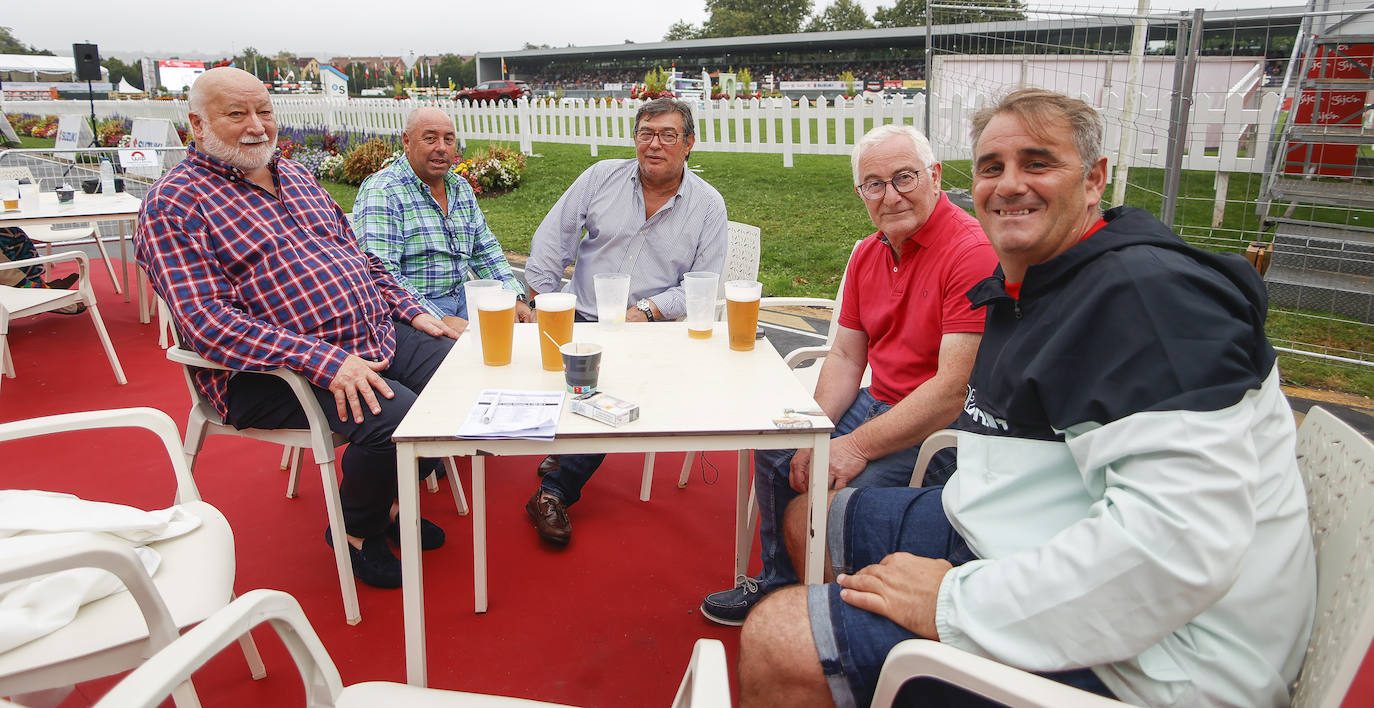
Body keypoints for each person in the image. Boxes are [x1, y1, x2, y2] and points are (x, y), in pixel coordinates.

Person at [738, 88, 1317, 708]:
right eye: (992, 167)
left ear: (1094, 180)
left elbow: (1172, 547)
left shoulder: (1149, 303)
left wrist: (952, 602)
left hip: (1160, 659)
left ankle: (834, 665)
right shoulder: (1046, 278)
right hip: (1016, 528)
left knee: (777, 638)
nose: (1009, 185)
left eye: (1038, 163)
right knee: (810, 517)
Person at [135, 67, 463, 591]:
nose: (256, 126)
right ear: (197, 124)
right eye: (236, 113)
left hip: (368, 331)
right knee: (395, 416)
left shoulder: (297, 177)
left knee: (458, 375)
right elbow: (206, 323)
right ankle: (357, 532)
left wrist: (411, 307)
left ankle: (389, 499)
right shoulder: (175, 203)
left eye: (264, 110)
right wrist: (326, 362)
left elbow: (363, 260)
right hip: (269, 371)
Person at [700, 124, 997, 626]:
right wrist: (813, 430)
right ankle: (780, 582)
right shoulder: (868, 252)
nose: (891, 195)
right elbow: (844, 358)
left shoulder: (971, 253)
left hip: (935, 429)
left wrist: (852, 447)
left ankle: (832, 611)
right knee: (779, 447)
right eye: (874, 184)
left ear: (936, 176)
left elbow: (950, 392)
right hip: (878, 399)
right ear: (861, 192)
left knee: (833, 496)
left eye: (904, 177)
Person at [522, 96, 728, 544]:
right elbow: (552, 239)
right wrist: (538, 300)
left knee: (614, 389)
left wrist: (650, 310)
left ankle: (552, 491)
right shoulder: (601, 178)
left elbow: (704, 283)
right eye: (645, 134)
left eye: (668, 135)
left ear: (689, 143)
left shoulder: (709, 206)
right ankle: (562, 447)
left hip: (648, 327)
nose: (654, 145)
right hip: (582, 317)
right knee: (555, 372)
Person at [353, 107, 531, 330]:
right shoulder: (383, 191)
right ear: (407, 141)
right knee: (471, 355)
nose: (441, 148)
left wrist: (513, 297)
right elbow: (382, 274)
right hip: (411, 313)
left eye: (449, 139)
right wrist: (440, 318)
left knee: (522, 340)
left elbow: (485, 250)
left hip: (465, 300)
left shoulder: (459, 187)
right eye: (430, 139)